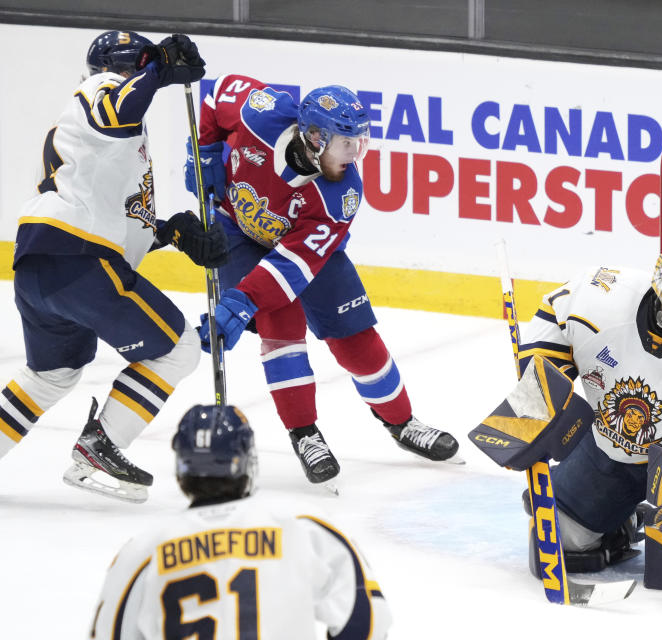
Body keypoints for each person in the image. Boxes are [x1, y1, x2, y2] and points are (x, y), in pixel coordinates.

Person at [184, 75, 459, 487]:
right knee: (282, 332)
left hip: (303, 252)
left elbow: (290, 266)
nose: (355, 154)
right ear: (314, 136)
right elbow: (215, 94)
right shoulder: (262, 113)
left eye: (360, 143)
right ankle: (305, 434)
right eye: (346, 143)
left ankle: (402, 423)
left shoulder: (340, 194)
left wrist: (241, 300)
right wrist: (204, 152)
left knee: (356, 339)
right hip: (238, 234)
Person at [0, 30, 225, 503]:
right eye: (135, 66)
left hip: (42, 266)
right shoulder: (97, 93)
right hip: (77, 261)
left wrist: (174, 232)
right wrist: (160, 67)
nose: (137, 76)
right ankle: (101, 446)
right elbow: (118, 104)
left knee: (51, 374)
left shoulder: (112, 140)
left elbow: (121, 224)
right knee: (178, 347)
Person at [516, 232, 662, 571]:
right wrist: (542, 388)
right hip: (612, 452)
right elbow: (555, 316)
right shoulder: (603, 295)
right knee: (563, 543)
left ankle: (647, 505)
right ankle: (618, 519)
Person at [89, 403, 392, 639]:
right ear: (246, 462)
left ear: (182, 469)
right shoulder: (302, 527)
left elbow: (109, 632)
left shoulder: (144, 551)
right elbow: (367, 622)